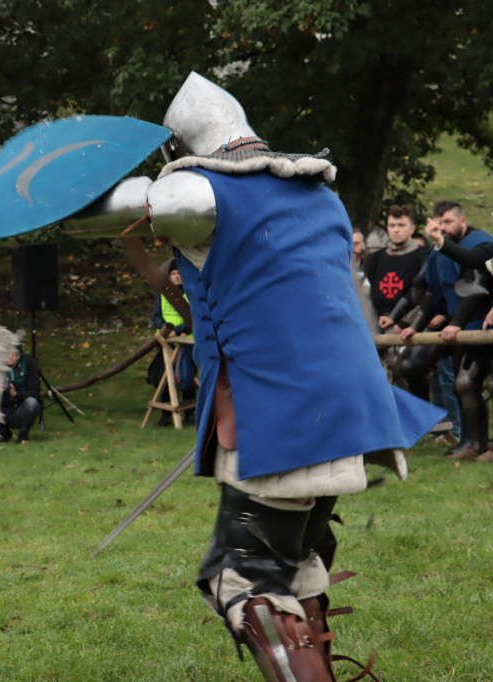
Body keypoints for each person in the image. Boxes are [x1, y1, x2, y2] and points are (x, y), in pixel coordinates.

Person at [97, 73, 443, 681]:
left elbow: (126, 205)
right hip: (348, 412)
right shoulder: (317, 194)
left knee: (244, 577)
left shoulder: (199, 196)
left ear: (181, 148)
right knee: (294, 564)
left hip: (277, 413)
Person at [400, 201, 493, 461]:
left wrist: (456, 323)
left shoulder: (482, 243)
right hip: (466, 328)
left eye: (449, 222)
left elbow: (475, 286)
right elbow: (432, 292)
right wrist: (415, 325)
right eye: (439, 224)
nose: (443, 229)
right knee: (464, 384)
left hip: (480, 325)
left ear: (463, 221)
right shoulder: (438, 251)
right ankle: (474, 443)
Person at [362, 205, 432, 400]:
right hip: (376, 323)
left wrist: (403, 322)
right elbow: (366, 295)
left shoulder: (422, 255)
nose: (396, 229)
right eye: (392, 225)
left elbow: (423, 292)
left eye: (401, 225)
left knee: (402, 374)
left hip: (407, 326)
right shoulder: (374, 258)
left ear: (411, 228)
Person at [148, 259, 197, 426]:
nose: (176, 277)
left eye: (179, 273)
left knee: (187, 376)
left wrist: (181, 329)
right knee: (164, 376)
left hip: (186, 340)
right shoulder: (163, 294)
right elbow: (156, 316)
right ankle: (166, 416)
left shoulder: (191, 293)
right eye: (173, 274)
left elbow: (195, 316)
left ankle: (190, 415)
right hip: (166, 341)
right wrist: (166, 329)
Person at [0, 344, 41, 444]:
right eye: (6, 353)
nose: (10, 356)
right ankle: (3, 433)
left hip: (21, 409)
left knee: (32, 403)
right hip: (2, 410)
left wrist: (16, 394)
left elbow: (34, 393)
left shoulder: (29, 363)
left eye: (13, 353)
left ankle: (24, 434)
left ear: (18, 354)